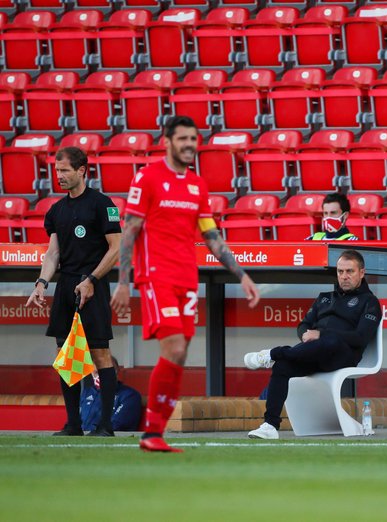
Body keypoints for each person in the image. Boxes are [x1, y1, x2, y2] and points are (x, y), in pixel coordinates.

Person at [110, 116, 260, 453]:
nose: (190, 144)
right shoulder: (147, 178)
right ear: (167, 141)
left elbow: (212, 237)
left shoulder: (197, 185)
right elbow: (130, 231)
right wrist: (123, 282)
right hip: (155, 276)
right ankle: (151, 432)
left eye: (194, 138)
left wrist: (242, 275)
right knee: (174, 347)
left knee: (180, 354)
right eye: (183, 138)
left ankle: (154, 435)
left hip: (186, 280)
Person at [26, 146, 122, 437]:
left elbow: (116, 249)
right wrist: (42, 283)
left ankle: (105, 426)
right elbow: (53, 253)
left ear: (82, 171)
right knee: (64, 354)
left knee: (100, 353)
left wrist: (91, 278)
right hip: (66, 284)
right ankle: (73, 424)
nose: (60, 176)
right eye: (57, 171)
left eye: (65, 170)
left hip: (93, 284)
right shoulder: (57, 210)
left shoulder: (103, 204)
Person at [243, 250, 382, 440]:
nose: (344, 276)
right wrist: (308, 337)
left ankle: (273, 354)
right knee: (283, 367)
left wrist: (321, 334)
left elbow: (360, 337)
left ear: (362, 273)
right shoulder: (325, 297)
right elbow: (303, 326)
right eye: (340, 272)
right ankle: (270, 425)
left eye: (350, 271)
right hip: (314, 353)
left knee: (330, 340)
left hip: (342, 356)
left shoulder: (370, 302)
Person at [81, 356, 142, 432]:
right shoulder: (87, 392)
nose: (102, 376)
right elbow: (76, 421)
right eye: (97, 372)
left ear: (117, 371)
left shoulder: (129, 396)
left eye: (106, 372)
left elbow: (116, 426)